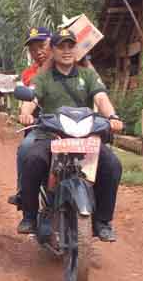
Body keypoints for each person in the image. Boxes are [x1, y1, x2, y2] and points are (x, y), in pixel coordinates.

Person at [18, 28, 124, 242]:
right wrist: (25, 113)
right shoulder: (44, 77)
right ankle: (29, 216)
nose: (66, 51)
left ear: (76, 49)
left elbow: (101, 97)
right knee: (32, 159)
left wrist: (112, 116)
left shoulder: (88, 75)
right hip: (52, 135)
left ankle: (102, 221)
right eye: (61, 46)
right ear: (53, 50)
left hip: (84, 137)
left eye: (70, 46)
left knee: (112, 165)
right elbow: (32, 98)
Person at [8, 27, 53, 206]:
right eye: (33, 49)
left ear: (52, 43)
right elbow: (32, 95)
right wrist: (24, 113)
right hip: (41, 124)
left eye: (42, 45)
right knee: (26, 147)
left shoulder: (70, 65)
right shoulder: (30, 74)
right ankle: (23, 193)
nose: (38, 52)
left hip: (71, 123)